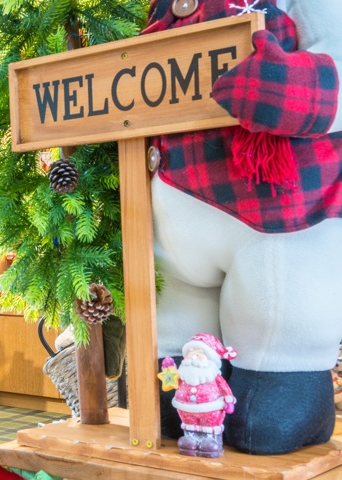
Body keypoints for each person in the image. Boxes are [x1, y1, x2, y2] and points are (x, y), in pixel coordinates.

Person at [144, 0, 342, 454]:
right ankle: (185, 388)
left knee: (269, 410)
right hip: (173, 217)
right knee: (167, 398)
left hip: (277, 217)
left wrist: (296, 90)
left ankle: (286, 377)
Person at [159, 334, 236, 458]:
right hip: (186, 409)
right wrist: (168, 367)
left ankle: (210, 441)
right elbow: (173, 379)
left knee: (209, 425)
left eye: (199, 354)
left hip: (211, 409)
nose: (193, 356)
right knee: (189, 425)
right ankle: (190, 440)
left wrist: (229, 401)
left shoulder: (212, 374)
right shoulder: (183, 373)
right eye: (190, 353)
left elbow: (224, 387)